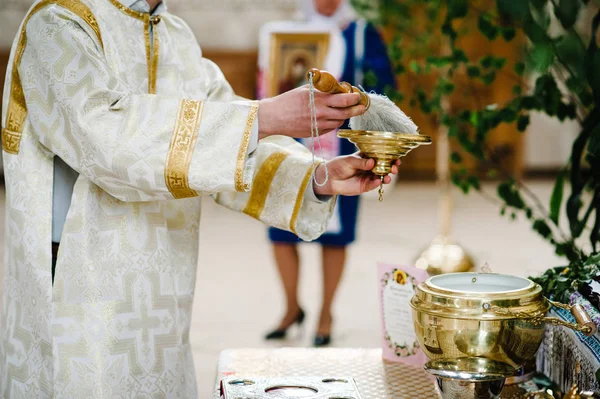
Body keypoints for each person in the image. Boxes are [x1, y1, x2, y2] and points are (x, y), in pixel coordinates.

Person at [0, 0, 400, 396]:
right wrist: (265, 116)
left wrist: (319, 175)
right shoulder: (59, 21)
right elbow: (105, 141)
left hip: (163, 281)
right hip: (78, 273)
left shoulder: (176, 36)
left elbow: (228, 149)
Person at [264, 0, 396, 347]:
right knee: (281, 229)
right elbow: (266, 89)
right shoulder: (289, 32)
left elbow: (384, 87)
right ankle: (291, 307)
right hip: (289, 144)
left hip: (342, 148)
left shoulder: (361, 34)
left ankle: (326, 314)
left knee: (335, 235)